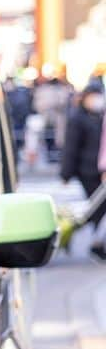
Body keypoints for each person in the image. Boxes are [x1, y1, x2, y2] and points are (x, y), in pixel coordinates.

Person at [61, 81, 106, 260]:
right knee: (97, 208)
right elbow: (71, 148)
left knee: (98, 208)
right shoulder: (78, 119)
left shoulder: (100, 117)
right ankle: (97, 242)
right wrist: (66, 173)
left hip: (98, 169)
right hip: (87, 171)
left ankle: (98, 242)